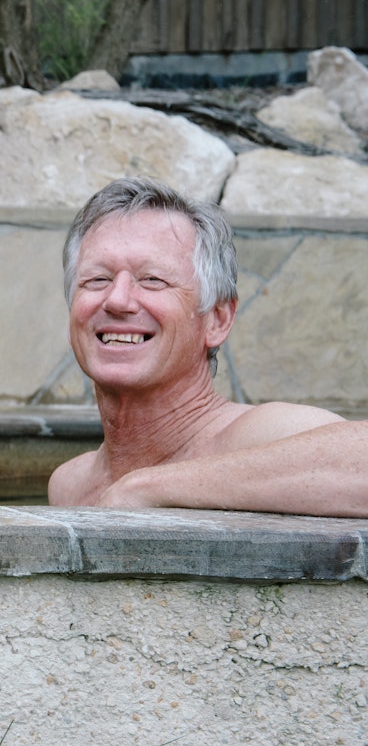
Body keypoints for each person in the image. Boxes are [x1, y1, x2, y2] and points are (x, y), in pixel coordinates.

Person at [48, 175, 368, 515]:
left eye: (152, 280)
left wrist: (144, 488)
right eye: (97, 279)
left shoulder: (255, 437)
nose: (117, 299)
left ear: (217, 320)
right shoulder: (69, 483)